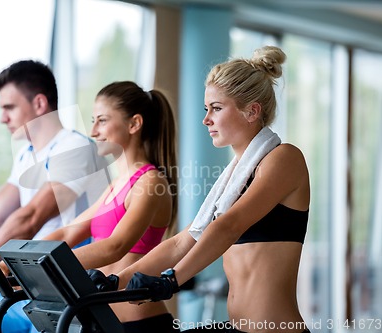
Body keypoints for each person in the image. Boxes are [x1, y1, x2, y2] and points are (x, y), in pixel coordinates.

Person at [115, 46, 311, 333]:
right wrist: (116, 280)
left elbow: (229, 226)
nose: (206, 119)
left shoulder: (284, 158)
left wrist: (172, 280)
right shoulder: (233, 177)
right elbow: (185, 241)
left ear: (251, 111)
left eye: (216, 108)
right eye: (206, 109)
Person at [0, 60, 107, 332]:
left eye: (9, 107)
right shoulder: (27, 154)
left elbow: (31, 218)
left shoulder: (75, 148)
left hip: (64, 287)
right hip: (30, 280)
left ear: (39, 104)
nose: (3, 117)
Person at [0, 81, 180, 333]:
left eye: (102, 120)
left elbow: (115, 246)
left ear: (134, 124)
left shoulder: (150, 181)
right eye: (93, 120)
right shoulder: (115, 186)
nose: (93, 131)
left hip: (140, 324)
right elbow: (67, 233)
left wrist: (38, 266)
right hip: (101, 320)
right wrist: (12, 260)